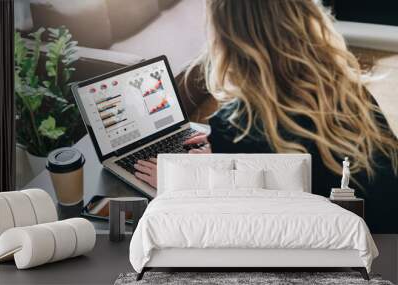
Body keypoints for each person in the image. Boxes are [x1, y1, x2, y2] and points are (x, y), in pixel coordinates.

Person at [133, 0, 398, 233]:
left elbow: (231, 226)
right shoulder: (348, 90)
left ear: (226, 38)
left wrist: (181, 183)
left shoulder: (238, 128)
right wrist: (225, 166)